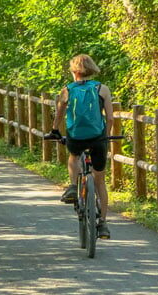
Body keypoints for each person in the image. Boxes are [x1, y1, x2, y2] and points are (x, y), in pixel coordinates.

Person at [45, 54, 114, 239]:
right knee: (100, 180)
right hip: (98, 137)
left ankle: (73, 187)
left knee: (74, 156)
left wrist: (54, 131)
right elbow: (110, 118)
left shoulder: (67, 89)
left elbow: (59, 114)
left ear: (75, 71)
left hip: (76, 136)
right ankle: (103, 224)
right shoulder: (102, 89)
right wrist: (105, 136)